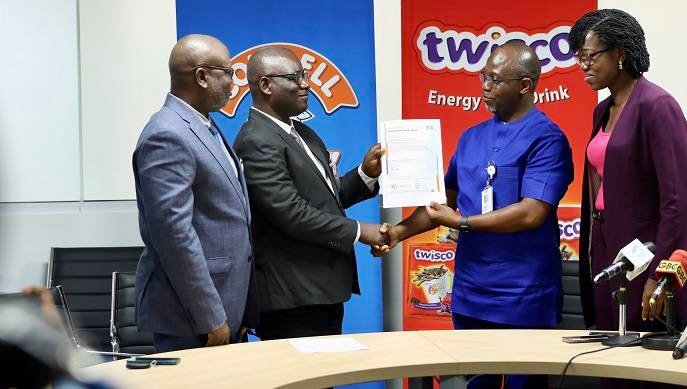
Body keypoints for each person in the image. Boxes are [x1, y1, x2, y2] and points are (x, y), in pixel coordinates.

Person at [375, 41, 573, 389]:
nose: (485, 86)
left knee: (524, 384)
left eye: (495, 80)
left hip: (523, 292)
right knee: (476, 382)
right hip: (472, 290)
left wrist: (462, 222)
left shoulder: (548, 139)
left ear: (525, 85)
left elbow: (531, 213)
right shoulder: (470, 137)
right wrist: (398, 233)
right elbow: (441, 205)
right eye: (484, 76)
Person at [569, 9, 687, 389]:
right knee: (610, 354)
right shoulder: (603, 110)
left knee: (644, 363)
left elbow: (678, 199)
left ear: (620, 54)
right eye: (579, 56)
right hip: (606, 244)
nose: (582, 65)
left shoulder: (657, 106)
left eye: (590, 55)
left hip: (646, 250)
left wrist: (659, 273)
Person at [234, 46, 385, 340]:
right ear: (265, 85)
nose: (305, 84)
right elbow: (291, 213)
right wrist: (361, 231)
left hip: (320, 292)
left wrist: (366, 173)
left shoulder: (302, 132)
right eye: (294, 78)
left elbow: (324, 198)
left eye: (304, 75)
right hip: (291, 299)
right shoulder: (256, 140)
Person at [133, 34, 258, 353]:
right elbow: (174, 236)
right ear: (202, 76)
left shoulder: (204, 126)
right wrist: (210, 317)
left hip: (225, 305)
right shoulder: (167, 134)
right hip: (194, 318)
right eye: (228, 72)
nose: (233, 82)